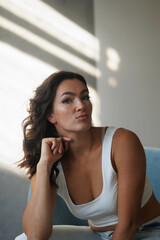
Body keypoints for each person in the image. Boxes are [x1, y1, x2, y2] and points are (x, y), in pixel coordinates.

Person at [16, 71, 160, 240]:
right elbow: (36, 235)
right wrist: (44, 166)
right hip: (99, 235)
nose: (81, 105)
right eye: (68, 100)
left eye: (85, 97)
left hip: (147, 231)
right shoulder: (50, 160)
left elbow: (129, 225)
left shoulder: (121, 142)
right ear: (51, 114)